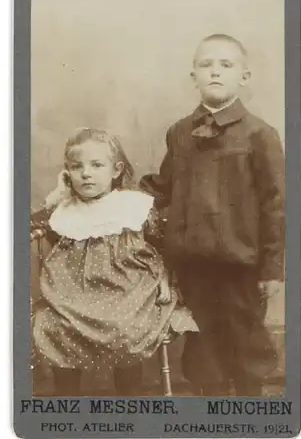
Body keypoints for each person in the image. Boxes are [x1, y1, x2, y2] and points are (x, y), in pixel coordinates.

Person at [140, 34, 285, 396]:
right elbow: (164, 187)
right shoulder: (179, 133)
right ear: (194, 77)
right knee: (203, 352)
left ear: (244, 76)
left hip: (241, 264)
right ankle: (211, 427)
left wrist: (272, 268)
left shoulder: (260, 135)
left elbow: (277, 204)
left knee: (246, 344)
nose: (215, 72)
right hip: (192, 265)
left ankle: (252, 422)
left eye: (226, 65)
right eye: (206, 65)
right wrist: (115, 201)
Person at [31, 128, 197, 396]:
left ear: (116, 169)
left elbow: (162, 244)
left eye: (97, 165)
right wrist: (58, 196)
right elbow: (23, 228)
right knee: (54, 327)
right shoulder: (64, 210)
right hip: (71, 296)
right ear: (67, 173)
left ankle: (129, 401)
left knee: (125, 328)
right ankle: (67, 406)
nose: (86, 173)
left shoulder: (132, 206)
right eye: (76, 167)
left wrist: (167, 281)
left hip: (128, 291)